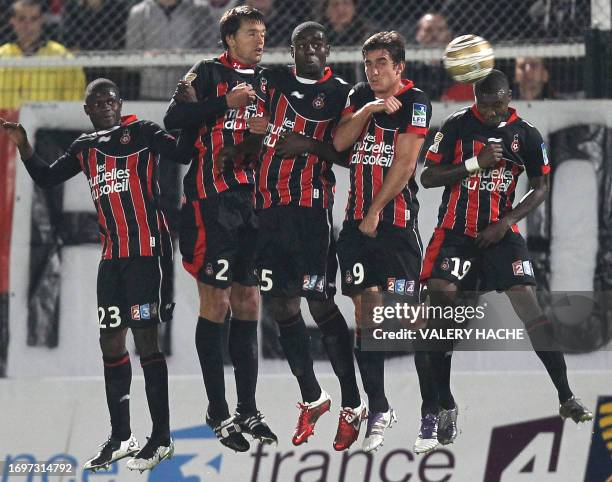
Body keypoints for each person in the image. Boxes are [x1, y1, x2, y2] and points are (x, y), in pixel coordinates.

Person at [0, 78, 187, 471]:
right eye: (96, 102)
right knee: (110, 343)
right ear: (87, 111)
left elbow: (184, 153)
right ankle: (122, 435)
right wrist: (24, 145)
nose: (104, 105)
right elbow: (48, 178)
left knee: (146, 341)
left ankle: (162, 436)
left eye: (110, 100)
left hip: (146, 256)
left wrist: (188, 111)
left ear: (120, 103)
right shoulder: (84, 149)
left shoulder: (144, 133)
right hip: (112, 260)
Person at [414, 69, 593, 454]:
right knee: (441, 307)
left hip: (500, 232)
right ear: (475, 99)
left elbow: (541, 186)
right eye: (485, 104)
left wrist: (508, 221)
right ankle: (445, 403)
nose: (493, 111)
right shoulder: (456, 127)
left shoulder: (526, 134)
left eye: (499, 104)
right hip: (457, 234)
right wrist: (474, 165)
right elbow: (428, 177)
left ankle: (566, 394)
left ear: (509, 97)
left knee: (529, 302)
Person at [241, 21, 365, 451]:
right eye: (302, 43)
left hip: (311, 209)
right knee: (279, 304)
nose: (311, 49)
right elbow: (239, 102)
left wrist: (309, 146)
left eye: (318, 42)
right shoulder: (270, 82)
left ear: (328, 50)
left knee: (319, 299)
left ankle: (352, 401)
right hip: (268, 209)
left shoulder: (343, 93)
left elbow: (351, 157)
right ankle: (313, 396)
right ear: (291, 50)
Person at [164, 5, 276, 452]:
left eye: (263, 32)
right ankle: (217, 410)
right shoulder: (206, 73)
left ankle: (248, 408)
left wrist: (263, 132)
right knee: (216, 301)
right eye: (251, 32)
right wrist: (223, 104)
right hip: (211, 201)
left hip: (255, 202)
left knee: (249, 299)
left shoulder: (270, 82)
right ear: (230, 39)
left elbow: (281, 132)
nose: (260, 39)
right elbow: (175, 120)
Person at [332, 30, 431, 452]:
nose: (373, 71)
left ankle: (434, 407)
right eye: (368, 63)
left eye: (381, 64)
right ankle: (380, 407)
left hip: (394, 225)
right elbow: (337, 141)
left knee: (411, 317)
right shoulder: (359, 96)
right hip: (357, 228)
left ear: (399, 67)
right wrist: (370, 107)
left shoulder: (417, 101)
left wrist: (375, 212)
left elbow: (406, 163)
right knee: (366, 316)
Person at [0, 0, 86, 109]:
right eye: (22, 19)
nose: (28, 25)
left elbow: (75, 104)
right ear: (12, 21)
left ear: (41, 20)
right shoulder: (2, 56)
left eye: (33, 19)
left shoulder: (62, 57)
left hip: (49, 124)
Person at [126, 0, 217, 100]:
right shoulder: (140, 12)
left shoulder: (200, 9)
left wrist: (185, 55)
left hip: (191, 92)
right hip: (151, 92)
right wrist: (149, 57)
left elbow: (210, 51)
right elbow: (130, 59)